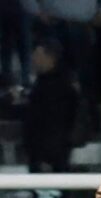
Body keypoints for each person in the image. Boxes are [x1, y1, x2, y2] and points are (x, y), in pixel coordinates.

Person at [24, 39, 77, 172]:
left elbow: (54, 122)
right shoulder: (42, 82)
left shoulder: (58, 86)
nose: (34, 60)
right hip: (40, 150)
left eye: (38, 56)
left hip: (50, 153)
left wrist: (46, 156)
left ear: (50, 58)